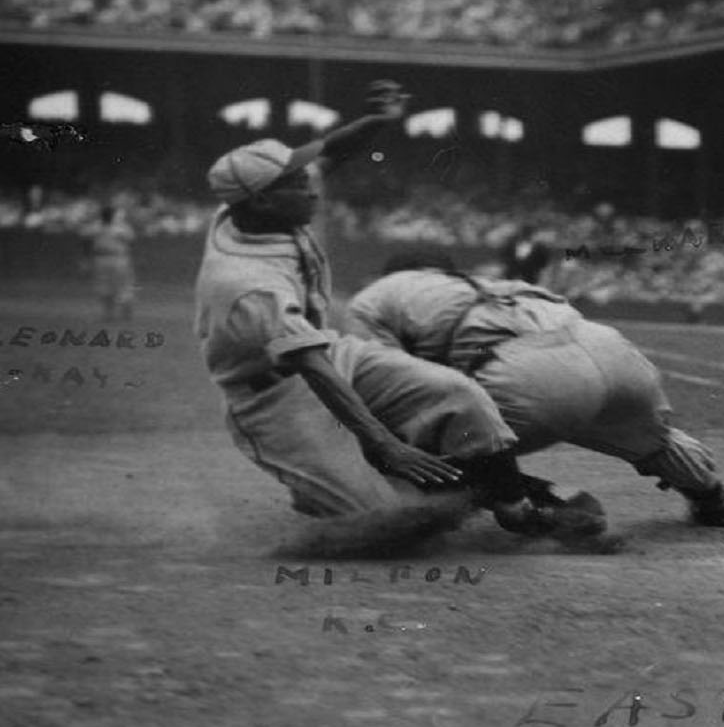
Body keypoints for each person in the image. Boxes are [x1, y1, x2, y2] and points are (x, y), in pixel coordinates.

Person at [193, 81, 604, 546]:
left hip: (329, 352)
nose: (313, 186)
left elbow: (329, 151)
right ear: (263, 200)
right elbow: (308, 366)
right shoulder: (245, 283)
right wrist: (383, 443)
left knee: (457, 394)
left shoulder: (256, 205)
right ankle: (335, 485)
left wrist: (378, 122)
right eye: (297, 183)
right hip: (271, 398)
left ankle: (518, 505)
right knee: (386, 521)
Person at [346, 250, 724, 530]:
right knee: (650, 438)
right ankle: (715, 500)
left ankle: (534, 508)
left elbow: (387, 380)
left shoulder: (378, 296)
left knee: (404, 445)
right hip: (613, 353)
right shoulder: (494, 283)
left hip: (530, 377)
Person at [84, 204, 136, 322]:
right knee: (104, 287)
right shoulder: (96, 226)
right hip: (102, 258)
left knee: (123, 286)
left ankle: (126, 313)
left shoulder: (121, 227)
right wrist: (86, 258)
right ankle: (108, 314)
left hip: (118, 257)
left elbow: (131, 241)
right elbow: (85, 240)